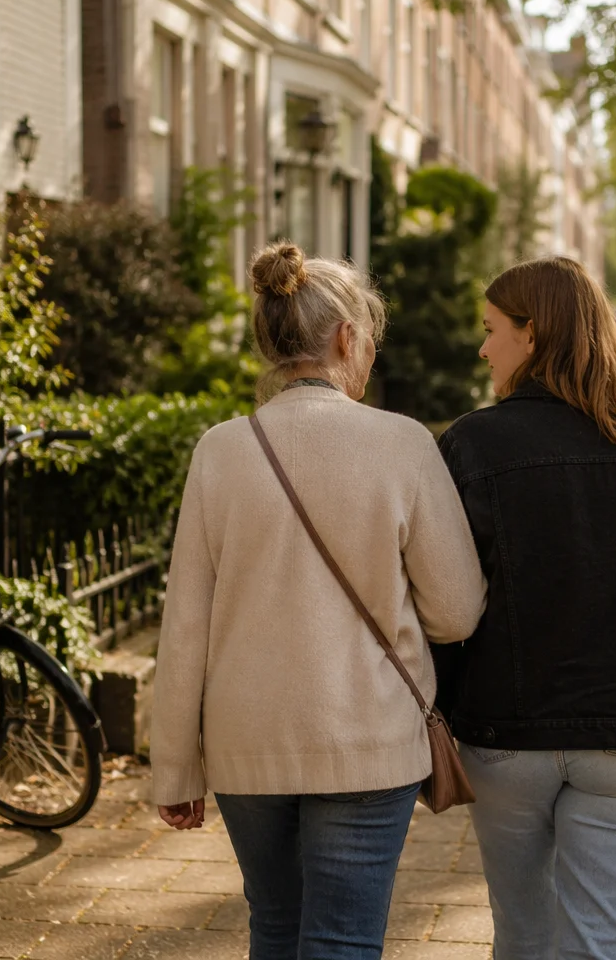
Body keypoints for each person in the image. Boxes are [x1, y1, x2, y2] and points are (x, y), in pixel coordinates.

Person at [151, 242, 487, 960]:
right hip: (367, 742)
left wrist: (175, 767)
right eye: (368, 341)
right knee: (342, 940)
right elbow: (456, 612)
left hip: (247, 745)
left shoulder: (219, 450)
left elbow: (185, 626)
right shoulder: (403, 445)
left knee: (273, 927)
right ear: (344, 339)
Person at [434, 255, 616, 960]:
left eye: (491, 329)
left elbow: (441, 599)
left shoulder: (472, 443)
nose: (483, 347)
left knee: (524, 936)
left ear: (532, 336)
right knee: (602, 943)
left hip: (507, 731)